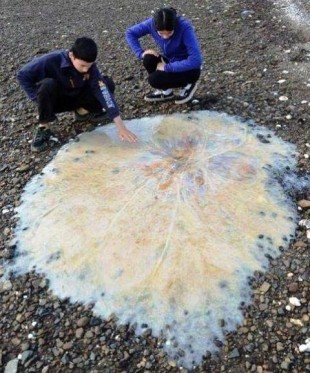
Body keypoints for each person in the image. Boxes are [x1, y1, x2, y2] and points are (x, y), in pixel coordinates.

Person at [17, 37, 137, 152]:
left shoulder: (91, 68)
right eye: (82, 65)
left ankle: (82, 112)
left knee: (106, 84)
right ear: (71, 55)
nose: (86, 70)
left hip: (76, 96)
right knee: (47, 85)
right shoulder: (50, 60)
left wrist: (121, 126)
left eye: (89, 66)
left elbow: (104, 92)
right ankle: (44, 127)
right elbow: (22, 75)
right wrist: (36, 98)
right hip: (56, 101)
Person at [126, 7, 202, 104]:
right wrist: (140, 53)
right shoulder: (151, 23)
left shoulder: (184, 27)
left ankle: (189, 84)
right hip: (171, 61)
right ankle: (167, 92)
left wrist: (167, 67)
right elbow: (130, 33)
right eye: (161, 33)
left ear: (175, 26)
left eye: (169, 33)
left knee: (154, 79)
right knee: (148, 58)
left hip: (190, 69)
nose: (165, 37)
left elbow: (196, 60)